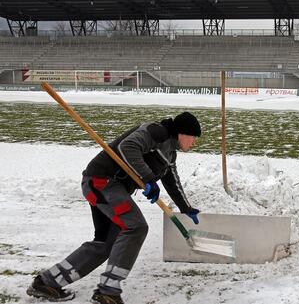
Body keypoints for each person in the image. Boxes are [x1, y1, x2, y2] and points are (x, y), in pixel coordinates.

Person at [27, 112, 203, 304]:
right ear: (182, 133)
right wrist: (148, 178)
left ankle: (46, 283)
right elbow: (127, 146)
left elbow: (172, 181)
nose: (193, 142)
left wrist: (186, 207)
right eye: (193, 137)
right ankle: (108, 291)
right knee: (136, 227)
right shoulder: (157, 132)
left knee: (106, 244)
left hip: (110, 187)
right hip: (103, 181)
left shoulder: (170, 153)